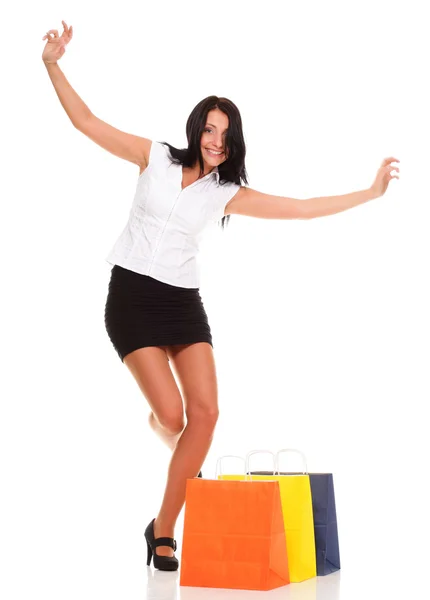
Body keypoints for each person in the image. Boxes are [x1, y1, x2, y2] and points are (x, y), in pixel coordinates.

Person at [42, 21, 400, 572]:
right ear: (196, 129)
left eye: (225, 134)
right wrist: (52, 64)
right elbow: (86, 122)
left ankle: (162, 529)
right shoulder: (154, 157)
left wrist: (370, 193)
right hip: (132, 299)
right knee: (170, 415)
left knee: (205, 414)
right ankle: (177, 451)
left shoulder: (227, 193)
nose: (215, 141)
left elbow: (301, 207)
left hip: (183, 306)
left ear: (233, 143)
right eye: (209, 129)